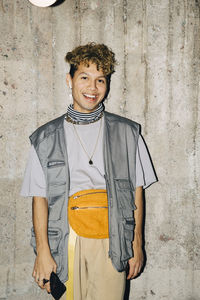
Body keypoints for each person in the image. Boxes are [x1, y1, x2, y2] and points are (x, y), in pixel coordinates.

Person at [21, 42, 157, 300]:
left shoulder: (128, 133)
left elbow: (137, 193)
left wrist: (137, 245)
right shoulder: (45, 138)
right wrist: (43, 251)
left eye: (101, 80)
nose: (92, 88)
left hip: (114, 238)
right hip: (66, 237)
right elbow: (39, 198)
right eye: (84, 77)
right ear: (69, 80)